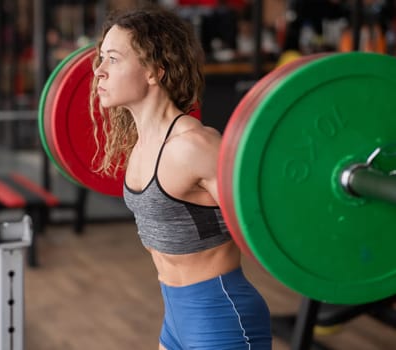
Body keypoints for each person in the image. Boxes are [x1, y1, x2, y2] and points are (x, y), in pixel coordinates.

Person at [90, 5, 271, 350]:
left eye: (113, 59)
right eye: (101, 59)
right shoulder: (141, 144)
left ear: (153, 71)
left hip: (221, 317)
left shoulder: (194, 146)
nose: (99, 71)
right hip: (175, 317)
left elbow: (268, 223)